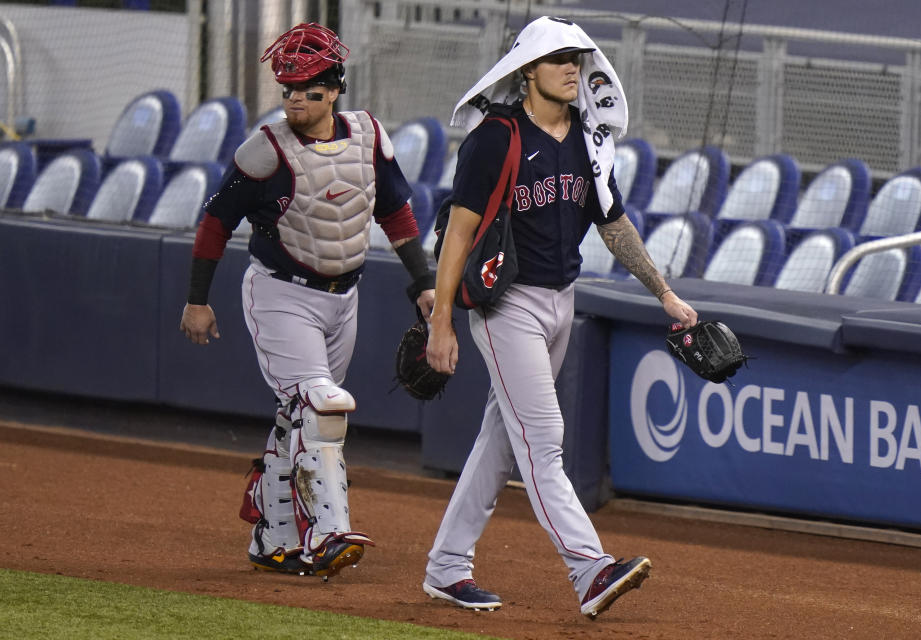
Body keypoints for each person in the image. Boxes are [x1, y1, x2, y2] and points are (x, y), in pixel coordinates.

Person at [422, 16, 697, 617]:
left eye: (576, 57)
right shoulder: (495, 138)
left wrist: (666, 296)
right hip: (507, 305)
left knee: (502, 436)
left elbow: (614, 223)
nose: (572, 67)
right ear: (527, 71)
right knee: (543, 439)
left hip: (561, 301)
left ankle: (446, 567)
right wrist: (441, 321)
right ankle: (590, 568)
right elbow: (459, 233)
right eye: (558, 59)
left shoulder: (589, 136)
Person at [179, 23, 435, 579]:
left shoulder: (368, 136)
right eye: (288, 89)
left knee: (298, 418)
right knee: (321, 407)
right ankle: (327, 533)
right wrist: (198, 300)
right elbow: (215, 222)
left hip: (345, 298)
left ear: (334, 88)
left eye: (308, 89)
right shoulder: (265, 150)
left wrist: (425, 282)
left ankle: (272, 537)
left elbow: (395, 212)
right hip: (280, 294)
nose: (295, 98)